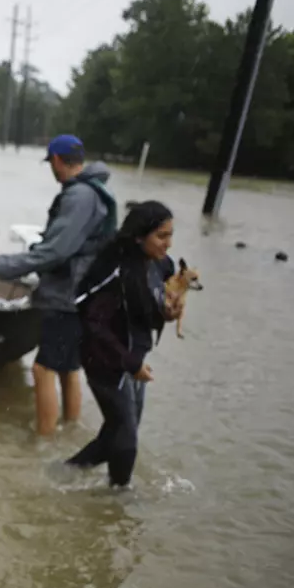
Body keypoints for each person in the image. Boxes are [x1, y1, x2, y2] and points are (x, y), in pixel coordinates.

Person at [0, 134, 117, 437]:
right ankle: (69, 432)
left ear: (57, 160)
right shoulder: (96, 191)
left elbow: (57, 250)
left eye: (51, 164)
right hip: (85, 295)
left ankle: (42, 444)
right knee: (69, 369)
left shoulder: (78, 196)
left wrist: (4, 265)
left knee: (43, 369)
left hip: (67, 296)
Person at [64, 201, 182, 488]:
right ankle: (118, 502)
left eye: (170, 235)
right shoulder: (116, 270)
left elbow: (154, 302)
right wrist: (130, 363)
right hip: (105, 361)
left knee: (117, 434)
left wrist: (168, 312)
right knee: (126, 439)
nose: (168, 243)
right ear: (139, 236)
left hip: (134, 360)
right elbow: (93, 322)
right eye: (162, 236)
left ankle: (63, 474)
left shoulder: (160, 263)